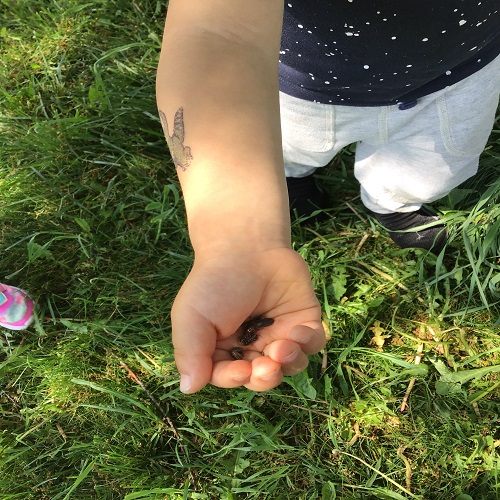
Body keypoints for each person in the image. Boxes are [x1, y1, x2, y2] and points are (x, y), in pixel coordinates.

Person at [156, 0, 500, 394]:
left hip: (463, 75)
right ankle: (294, 179)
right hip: (300, 89)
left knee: (433, 168)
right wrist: (241, 244)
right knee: (286, 152)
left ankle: (394, 203)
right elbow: (218, 37)